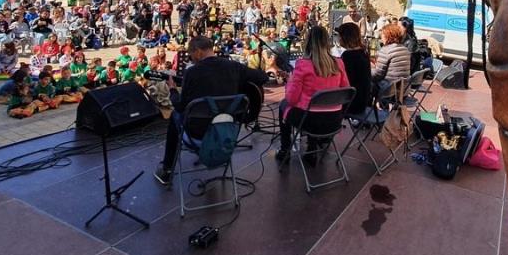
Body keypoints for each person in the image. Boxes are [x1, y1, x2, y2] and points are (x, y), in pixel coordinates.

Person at [153, 36, 267, 186]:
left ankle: (167, 169)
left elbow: (181, 106)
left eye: (191, 55)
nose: (190, 59)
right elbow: (263, 77)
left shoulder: (192, 73)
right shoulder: (234, 67)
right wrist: (241, 86)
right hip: (228, 131)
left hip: (198, 133)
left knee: (175, 115)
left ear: (199, 52)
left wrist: (173, 90)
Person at [275, 26, 349, 163]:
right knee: (315, 106)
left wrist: (291, 80)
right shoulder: (339, 63)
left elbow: (291, 99)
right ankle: (311, 149)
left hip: (309, 121)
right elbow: (346, 90)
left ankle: (285, 150)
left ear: (308, 43)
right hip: (334, 120)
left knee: (284, 105)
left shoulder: (303, 65)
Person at [337, 22, 372, 116]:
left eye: (339, 36)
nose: (338, 38)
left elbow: (343, 81)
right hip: (364, 100)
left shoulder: (348, 56)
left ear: (345, 38)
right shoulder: (363, 52)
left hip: (352, 103)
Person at [372, 23, 412, 96]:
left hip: (389, 90)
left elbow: (377, 75)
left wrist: (367, 70)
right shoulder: (405, 49)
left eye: (382, 35)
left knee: (365, 82)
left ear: (388, 36)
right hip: (404, 90)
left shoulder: (385, 50)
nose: (381, 38)